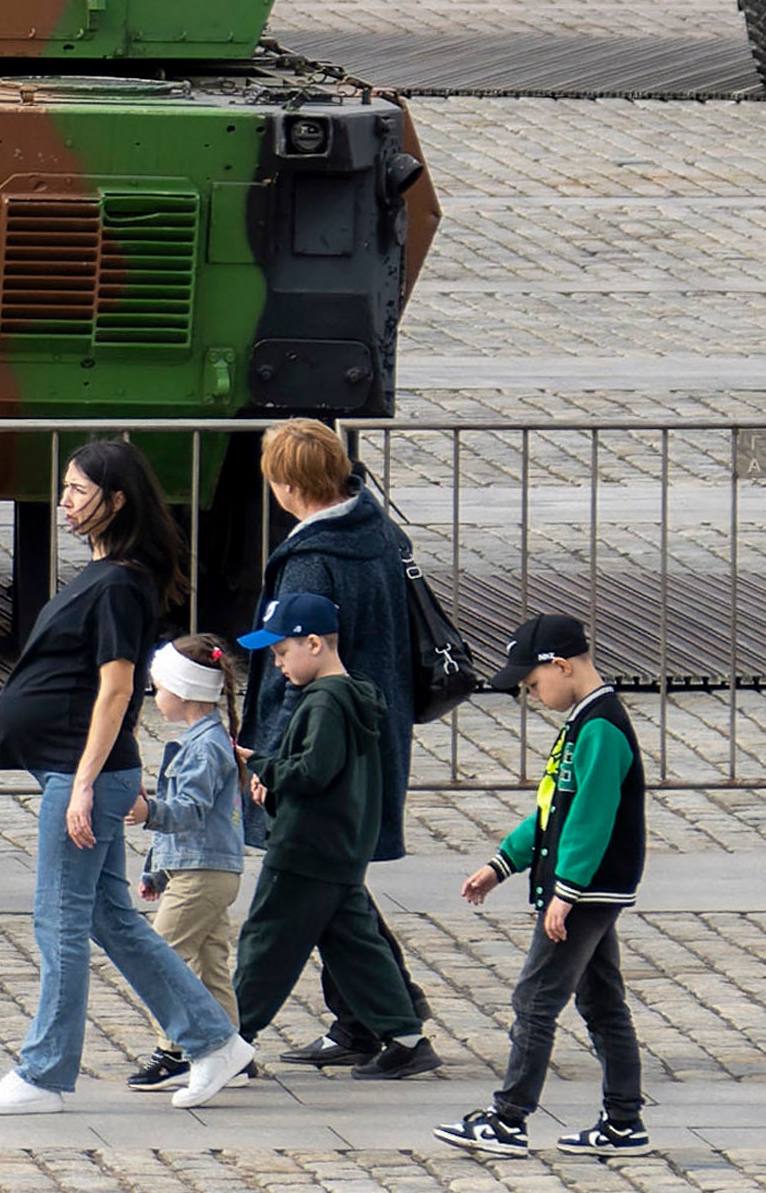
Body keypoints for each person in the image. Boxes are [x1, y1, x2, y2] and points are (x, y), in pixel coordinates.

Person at [0, 439, 252, 1113]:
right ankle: (213, 1041)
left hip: (82, 771)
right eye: (64, 489)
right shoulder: (107, 574)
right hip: (77, 769)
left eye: (77, 491)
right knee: (111, 919)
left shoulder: (122, 583)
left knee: (58, 919)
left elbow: (116, 689)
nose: (64, 502)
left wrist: (86, 781)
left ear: (115, 501)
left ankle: (43, 1073)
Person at [447, 612, 645, 1155]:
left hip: (586, 892)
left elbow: (591, 817)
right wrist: (501, 863)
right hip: (588, 891)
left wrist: (566, 891)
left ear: (560, 666)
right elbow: (548, 811)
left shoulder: (600, 728)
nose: (532, 696)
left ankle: (508, 1119)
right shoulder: (583, 724)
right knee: (602, 1002)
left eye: (533, 685)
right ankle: (625, 1122)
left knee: (535, 998)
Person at [223, 590, 438, 1081]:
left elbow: (314, 771)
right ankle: (406, 1038)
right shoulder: (354, 695)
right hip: (340, 845)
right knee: (355, 945)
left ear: (314, 644)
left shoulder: (323, 702)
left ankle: (230, 1041)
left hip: (305, 847)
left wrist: (262, 765)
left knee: (266, 943)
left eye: (282, 652)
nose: (278, 664)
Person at [252, 419, 426, 869]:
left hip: (323, 744)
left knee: (312, 879)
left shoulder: (311, 561)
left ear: (289, 486)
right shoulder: (380, 532)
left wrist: (274, 763)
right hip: (373, 728)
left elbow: (295, 667)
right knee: (338, 888)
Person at [122, 641, 246, 1085]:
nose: (156, 697)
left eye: (160, 688)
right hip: (206, 868)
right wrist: (157, 870)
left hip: (202, 871)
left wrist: (149, 813)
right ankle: (234, 1050)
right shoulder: (207, 741)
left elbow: (189, 809)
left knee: (162, 958)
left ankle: (173, 1050)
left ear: (184, 691)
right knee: (211, 963)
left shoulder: (204, 747)